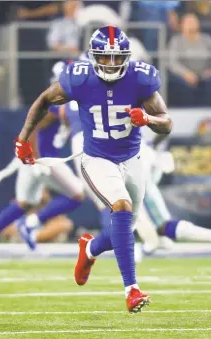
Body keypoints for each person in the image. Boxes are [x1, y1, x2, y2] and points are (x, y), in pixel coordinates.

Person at [14, 26, 172, 314]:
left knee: (121, 232)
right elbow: (44, 100)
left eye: (117, 58)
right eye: (105, 57)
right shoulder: (79, 78)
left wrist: (147, 117)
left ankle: (88, 250)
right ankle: (132, 290)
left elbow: (166, 121)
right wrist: (23, 139)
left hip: (132, 159)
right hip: (97, 158)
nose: (111, 64)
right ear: (93, 56)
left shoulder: (140, 78)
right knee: (121, 208)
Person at [0, 61, 85, 264]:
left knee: (24, 203)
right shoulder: (57, 101)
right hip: (43, 158)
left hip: (34, 158)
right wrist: (36, 159)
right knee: (77, 194)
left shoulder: (65, 101)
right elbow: (34, 127)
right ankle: (31, 223)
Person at [140, 137, 211, 263]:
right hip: (143, 186)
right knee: (155, 230)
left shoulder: (135, 145)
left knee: (164, 227)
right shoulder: (141, 145)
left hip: (143, 190)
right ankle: (150, 245)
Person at [167, 13, 211, 106]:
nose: (191, 25)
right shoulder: (176, 41)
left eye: (193, 22)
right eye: (188, 22)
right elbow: (172, 62)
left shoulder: (206, 39)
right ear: (182, 25)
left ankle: (208, 112)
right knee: (182, 85)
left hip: (205, 75)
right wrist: (185, 74)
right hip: (184, 76)